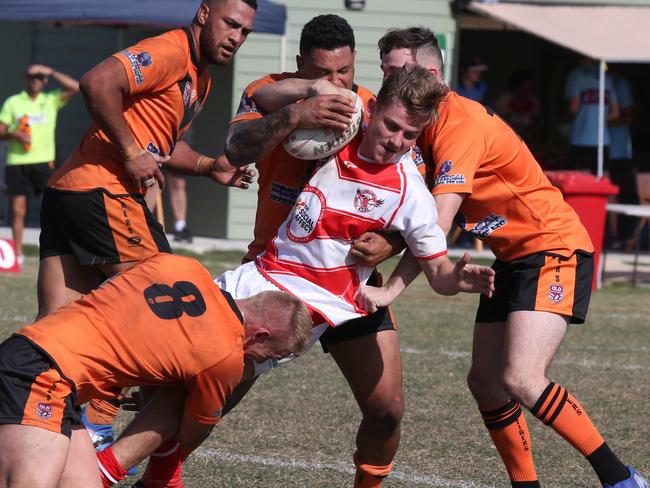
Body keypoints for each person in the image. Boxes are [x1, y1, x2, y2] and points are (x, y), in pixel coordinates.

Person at [99, 65, 495, 488]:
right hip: (259, 274)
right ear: (373, 108)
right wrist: (312, 90)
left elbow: (437, 273)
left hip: (296, 309)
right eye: (392, 126)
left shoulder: (410, 192)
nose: (396, 142)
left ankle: (109, 468)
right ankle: (150, 467)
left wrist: (456, 281)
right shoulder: (340, 126)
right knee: (178, 367)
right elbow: (261, 97)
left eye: (410, 136)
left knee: (209, 372)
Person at [352, 26, 647, 488]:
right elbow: (423, 221)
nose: (386, 84)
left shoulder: (458, 125)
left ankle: (622, 480)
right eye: (384, 72)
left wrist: (393, 282)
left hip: (552, 246)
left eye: (396, 73)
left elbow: (433, 222)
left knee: (522, 378)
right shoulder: (420, 126)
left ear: (429, 73)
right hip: (512, 257)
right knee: (485, 381)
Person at [37, 0, 257, 447]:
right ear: (203, 14)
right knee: (159, 309)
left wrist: (208, 165)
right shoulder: (170, 50)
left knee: (54, 330)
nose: (236, 37)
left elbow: (160, 144)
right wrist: (129, 153)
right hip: (103, 193)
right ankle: (98, 429)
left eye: (245, 32)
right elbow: (97, 83)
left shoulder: (201, 79)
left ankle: (39, 429)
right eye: (230, 24)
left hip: (70, 193)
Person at [0, 252, 312, 488]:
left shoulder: (181, 266)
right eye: (270, 356)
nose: (259, 363)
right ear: (260, 335)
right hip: (44, 377)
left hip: (45, 366)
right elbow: (191, 430)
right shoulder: (225, 359)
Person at [0, 64, 79, 266]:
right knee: (18, 212)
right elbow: (1, 131)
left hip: (44, 162)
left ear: (45, 81)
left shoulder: (50, 100)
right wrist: (13, 134)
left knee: (52, 209)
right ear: (26, 78)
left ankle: (54, 253)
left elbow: (75, 86)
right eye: (32, 76)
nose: (36, 80)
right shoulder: (14, 102)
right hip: (17, 162)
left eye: (40, 77)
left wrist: (51, 71)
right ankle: (17, 255)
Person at [564, 57, 620, 174]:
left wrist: (565, 121)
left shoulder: (577, 75)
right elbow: (616, 113)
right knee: (603, 178)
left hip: (581, 138)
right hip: (603, 140)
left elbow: (573, 107)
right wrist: (600, 120)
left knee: (583, 181)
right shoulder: (606, 77)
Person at [493, 70, 540, 146]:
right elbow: (495, 123)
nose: (528, 91)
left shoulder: (534, 102)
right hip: (506, 140)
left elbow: (535, 125)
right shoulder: (504, 100)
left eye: (531, 88)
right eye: (525, 88)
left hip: (528, 142)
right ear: (516, 88)